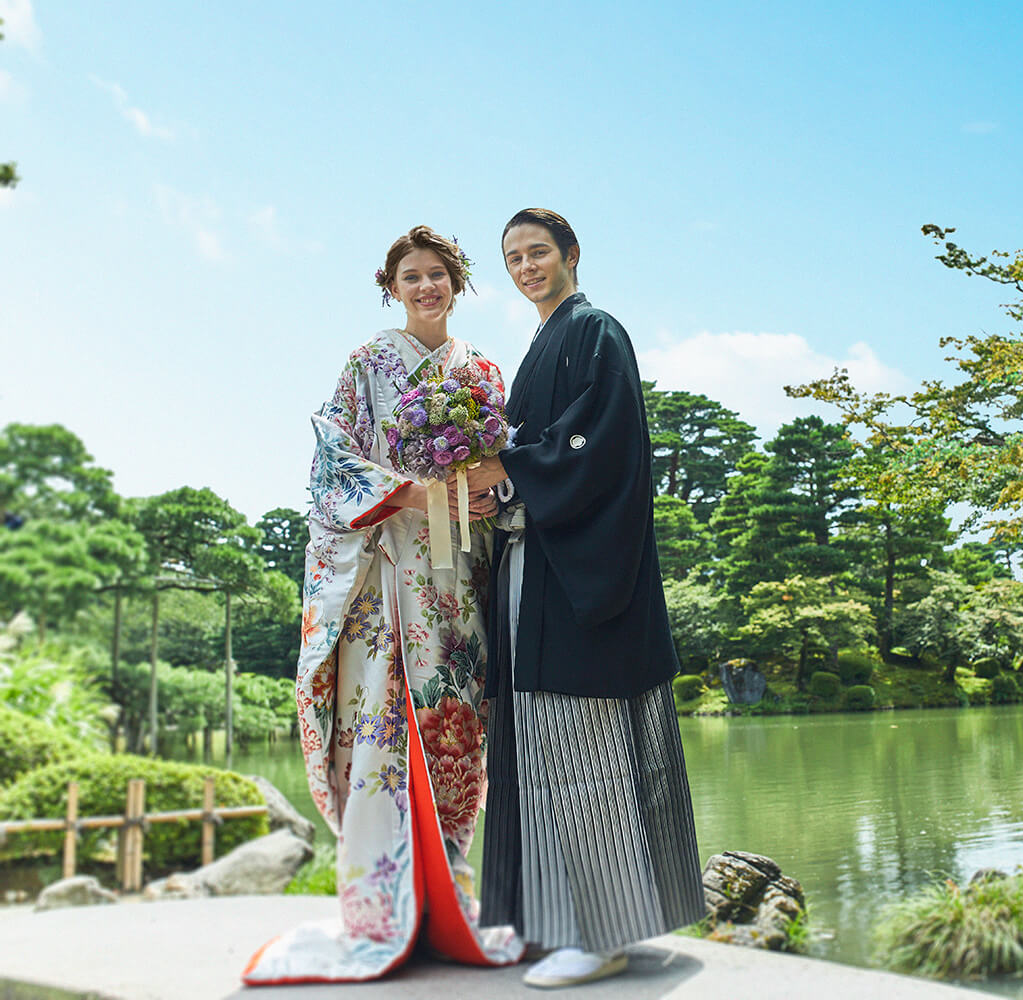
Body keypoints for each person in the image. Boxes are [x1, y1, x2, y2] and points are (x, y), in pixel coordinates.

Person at [242, 226, 522, 985]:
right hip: (381, 568)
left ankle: (453, 900)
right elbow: (331, 458)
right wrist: (409, 492)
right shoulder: (368, 362)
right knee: (378, 726)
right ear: (391, 288)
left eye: (437, 274)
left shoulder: (482, 369)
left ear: (457, 282)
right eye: (411, 277)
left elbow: (507, 464)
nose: (426, 287)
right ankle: (377, 909)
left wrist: (489, 492)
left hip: (457, 575)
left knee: (455, 725)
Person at [467, 209, 702, 989]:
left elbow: (597, 446)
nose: (526, 267)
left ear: (571, 254)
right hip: (535, 569)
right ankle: (561, 921)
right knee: (542, 751)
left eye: (538, 252)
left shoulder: (595, 332)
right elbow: (531, 453)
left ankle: (603, 934)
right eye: (513, 258)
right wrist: (495, 486)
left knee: (585, 754)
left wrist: (508, 472)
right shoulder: (543, 343)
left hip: (578, 579)